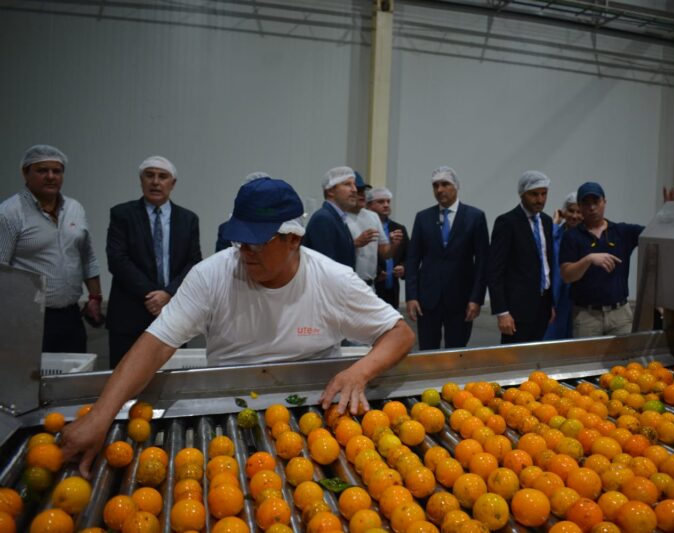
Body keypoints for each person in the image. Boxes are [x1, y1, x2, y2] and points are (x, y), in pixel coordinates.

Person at [61, 176, 415, 477]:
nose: (245, 250)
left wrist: (360, 372)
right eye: (239, 239)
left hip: (315, 412)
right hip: (229, 411)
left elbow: (400, 333)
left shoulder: (331, 279)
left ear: (294, 239)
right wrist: (102, 415)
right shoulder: (212, 275)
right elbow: (155, 344)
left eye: (258, 240)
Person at [0, 145, 103, 353]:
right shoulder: (10, 212)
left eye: (57, 171)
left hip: (71, 316)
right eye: (42, 170)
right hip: (28, 318)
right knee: (31, 381)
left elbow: (87, 257)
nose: (50, 176)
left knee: (72, 378)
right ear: (25, 173)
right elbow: (2, 268)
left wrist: (94, 298)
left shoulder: (75, 208)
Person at [105, 156, 202, 367]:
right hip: (129, 314)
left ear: (172, 183)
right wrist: (152, 295)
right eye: (149, 176)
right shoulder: (122, 214)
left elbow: (194, 263)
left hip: (173, 312)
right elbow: (117, 260)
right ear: (141, 180)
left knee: (171, 382)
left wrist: (167, 294)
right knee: (124, 382)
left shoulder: (188, 219)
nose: (155, 182)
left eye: (162, 176)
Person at [405, 166, 489, 350]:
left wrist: (476, 298)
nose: (440, 189)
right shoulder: (423, 217)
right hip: (428, 299)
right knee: (427, 349)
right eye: (435, 185)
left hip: (461, 299)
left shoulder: (475, 217)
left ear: (456, 186)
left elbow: (483, 262)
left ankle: (454, 380)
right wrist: (411, 296)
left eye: (445, 184)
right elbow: (412, 260)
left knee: (456, 350)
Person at [559, 181, 644, 337]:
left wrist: (670, 209)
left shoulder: (622, 232)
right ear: (579, 206)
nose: (591, 208)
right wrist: (589, 259)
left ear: (604, 202)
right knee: (587, 360)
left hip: (620, 316)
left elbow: (655, 234)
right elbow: (566, 275)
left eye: (596, 202)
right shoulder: (572, 237)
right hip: (586, 316)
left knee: (623, 359)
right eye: (586, 203)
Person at [488, 171, 555, 344]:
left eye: (544, 194)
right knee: (514, 362)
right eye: (534, 194)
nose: (540, 199)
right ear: (522, 194)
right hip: (516, 310)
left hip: (543, 305)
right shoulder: (507, 223)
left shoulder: (546, 222)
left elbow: (547, 264)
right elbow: (495, 271)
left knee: (536, 358)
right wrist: (502, 312)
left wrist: (551, 303)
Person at [543, 192, 583, 340]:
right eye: (571, 210)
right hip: (556, 299)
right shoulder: (555, 234)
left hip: (578, 299)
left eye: (579, 212)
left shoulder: (589, 237)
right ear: (563, 211)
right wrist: (554, 223)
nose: (574, 216)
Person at [302, 166, 357, 269]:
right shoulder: (323, 219)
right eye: (347, 184)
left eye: (354, 184)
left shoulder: (338, 218)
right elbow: (326, 267)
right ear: (331, 191)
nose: (354, 190)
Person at [345, 172, 390, 287]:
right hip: (349, 284)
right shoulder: (340, 217)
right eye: (358, 191)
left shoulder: (373, 216)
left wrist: (394, 244)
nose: (362, 195)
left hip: (370, 284)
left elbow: (385, 253)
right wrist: (356, 243)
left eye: (363, 191)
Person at [366, 187, 409, 308]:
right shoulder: (364, 227)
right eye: (380, 202)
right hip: (371, 287)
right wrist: (378, 271)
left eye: (388, 201)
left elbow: (410, 256)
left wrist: (404, 268)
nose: (386, 205)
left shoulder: (399, 229)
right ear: (369, 205)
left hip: (392, 290)